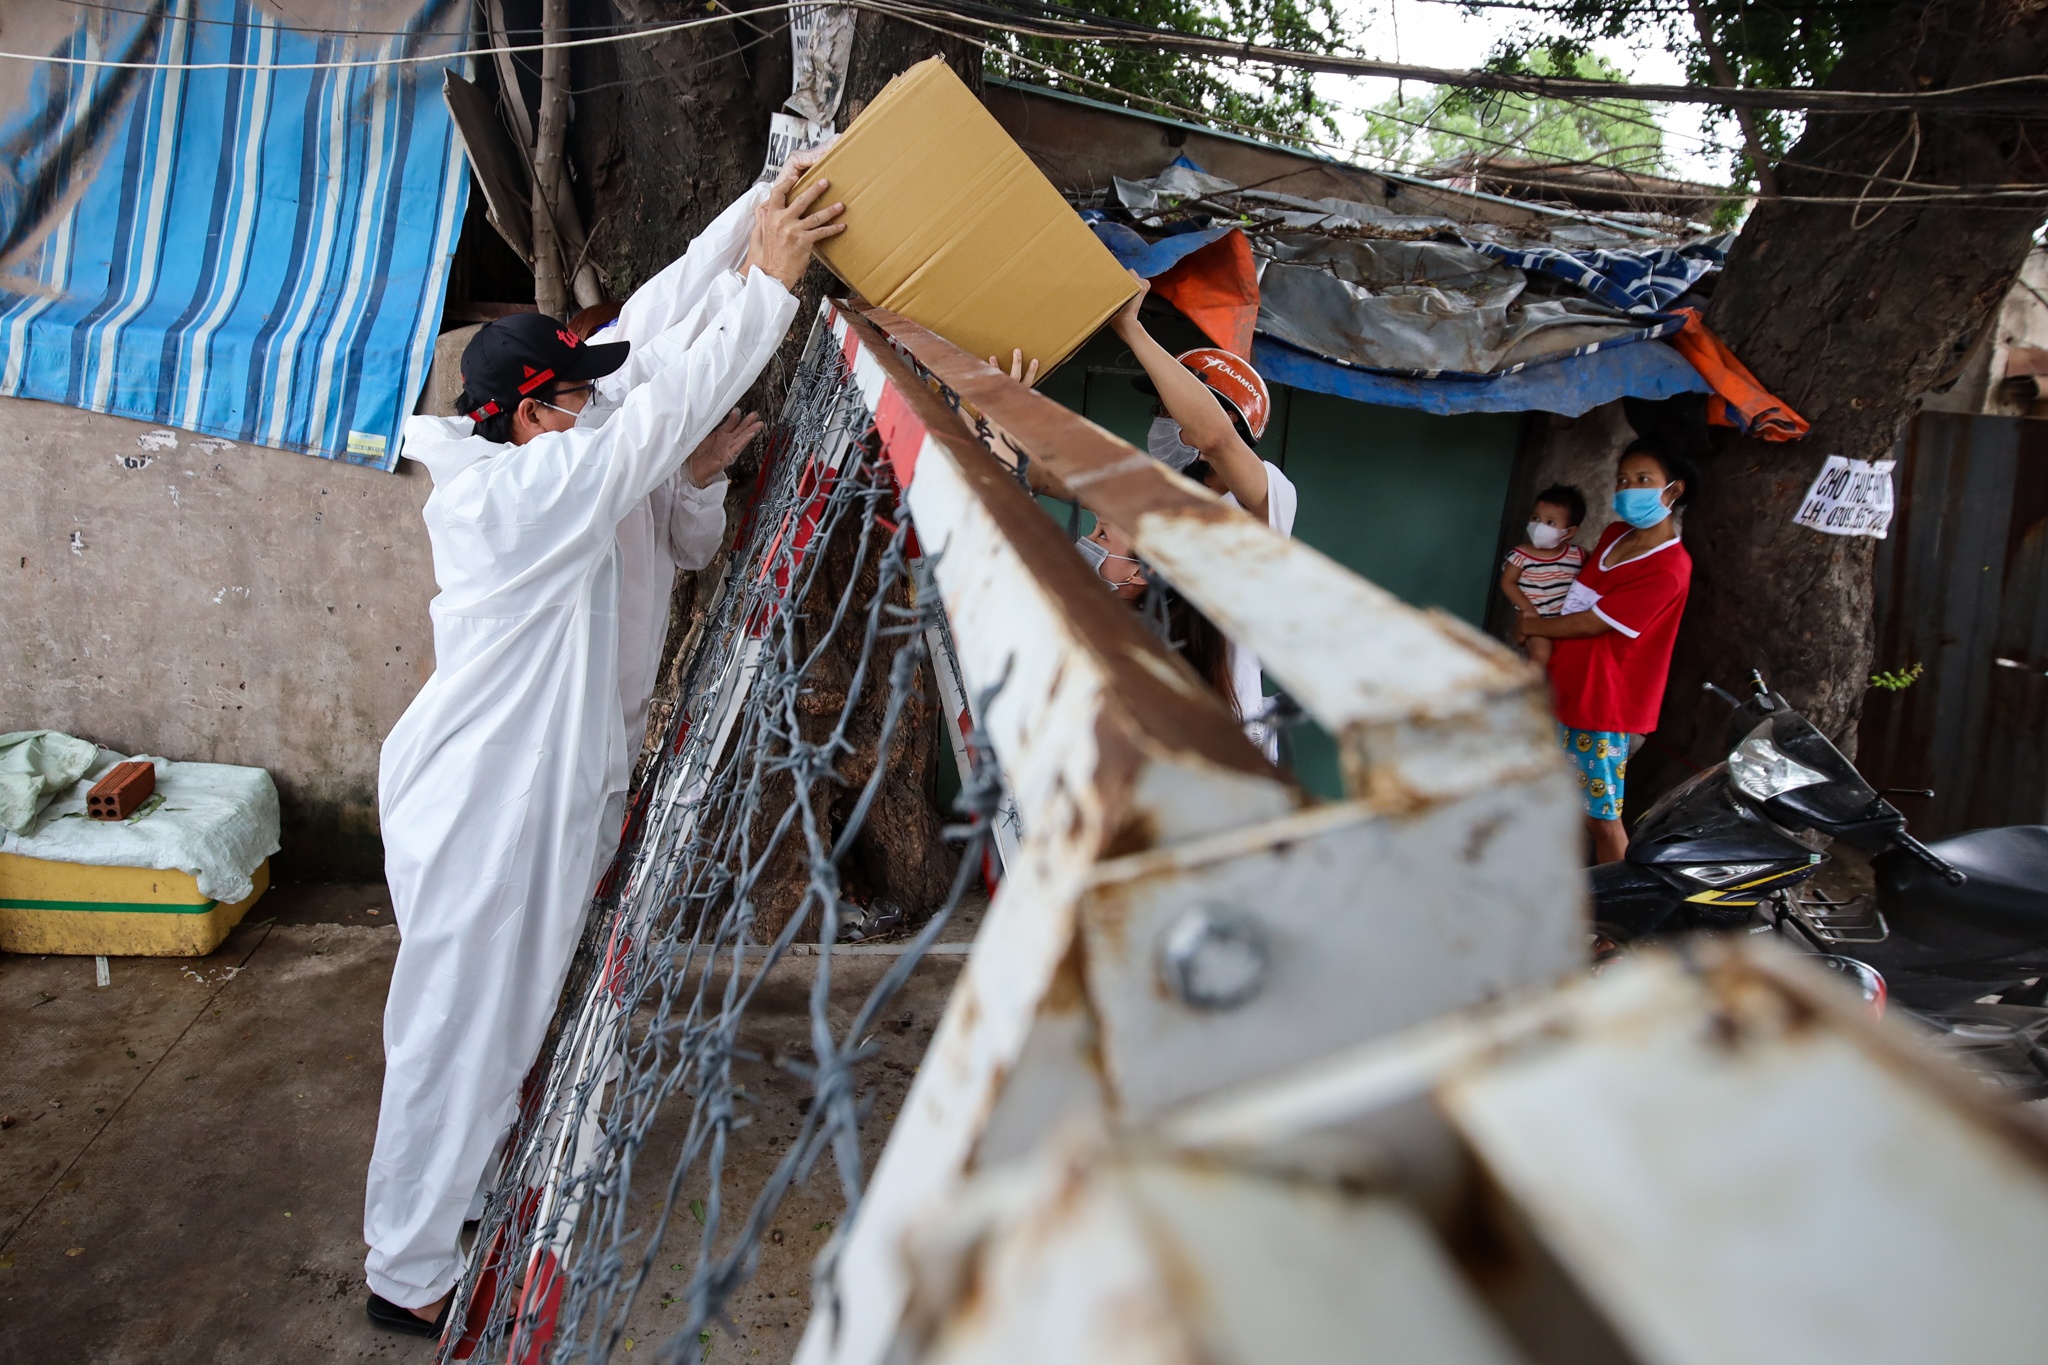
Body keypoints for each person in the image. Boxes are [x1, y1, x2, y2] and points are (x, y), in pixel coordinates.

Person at [360, 160, 843, 1336]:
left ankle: (467, 1200)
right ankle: (406, 1273)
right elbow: (650, 416)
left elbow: (662, 359)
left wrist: (764, 202)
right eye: (578, 393)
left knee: (508, 1021)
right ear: (533, 414)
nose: (601, 401)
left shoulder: (570, 457)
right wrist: (768, 291)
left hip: (554, 790)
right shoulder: (505, 500)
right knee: (458, 1032)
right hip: (489, 804)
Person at [1031, 271, 1296, 752]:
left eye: (1166, 409)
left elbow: (1215, 440)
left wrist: (1131, 328)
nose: (1158, 420)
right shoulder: (1159, 498)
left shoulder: (1267, 501)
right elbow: (1045, 477)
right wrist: (993, 402)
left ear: (1221, 414)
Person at [1517, 441, 1696, 865]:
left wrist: (1531, 627)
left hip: (1599, 703)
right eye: (1623, 480)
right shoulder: (1616, 535)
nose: (1629, 489)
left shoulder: (1669, 568)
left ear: (1673, 490)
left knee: (1603, 820)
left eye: (1643, 480)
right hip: (1564, 685)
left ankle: (1618, 903)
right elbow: (1577, 598)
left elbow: (1594, 622)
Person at [1500, 483, 1587, 667]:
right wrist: (1527, 609)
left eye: (1550, 522)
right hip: (1535, 618)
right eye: (1536, 518)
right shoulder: (1522, 554)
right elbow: (1508, 582)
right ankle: (1526, 685)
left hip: (1564, 620)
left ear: (1569, 532)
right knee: (1542, 654)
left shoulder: (1577, 555)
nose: (1539, 526)